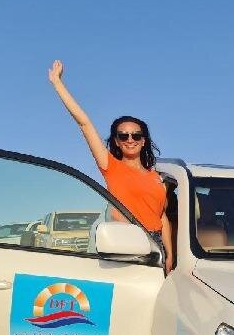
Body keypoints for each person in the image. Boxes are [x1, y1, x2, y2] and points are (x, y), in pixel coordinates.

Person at [47, 60, 173, 275]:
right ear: (116, 141)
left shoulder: (156, 177)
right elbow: (84, 124)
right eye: (123, 135)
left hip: (156, 245)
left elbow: (162, 217)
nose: (130, 139)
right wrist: (57, 83)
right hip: (125, 242)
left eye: (136, 135)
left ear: (144, 141)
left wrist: (169, 254)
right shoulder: (111, 166)